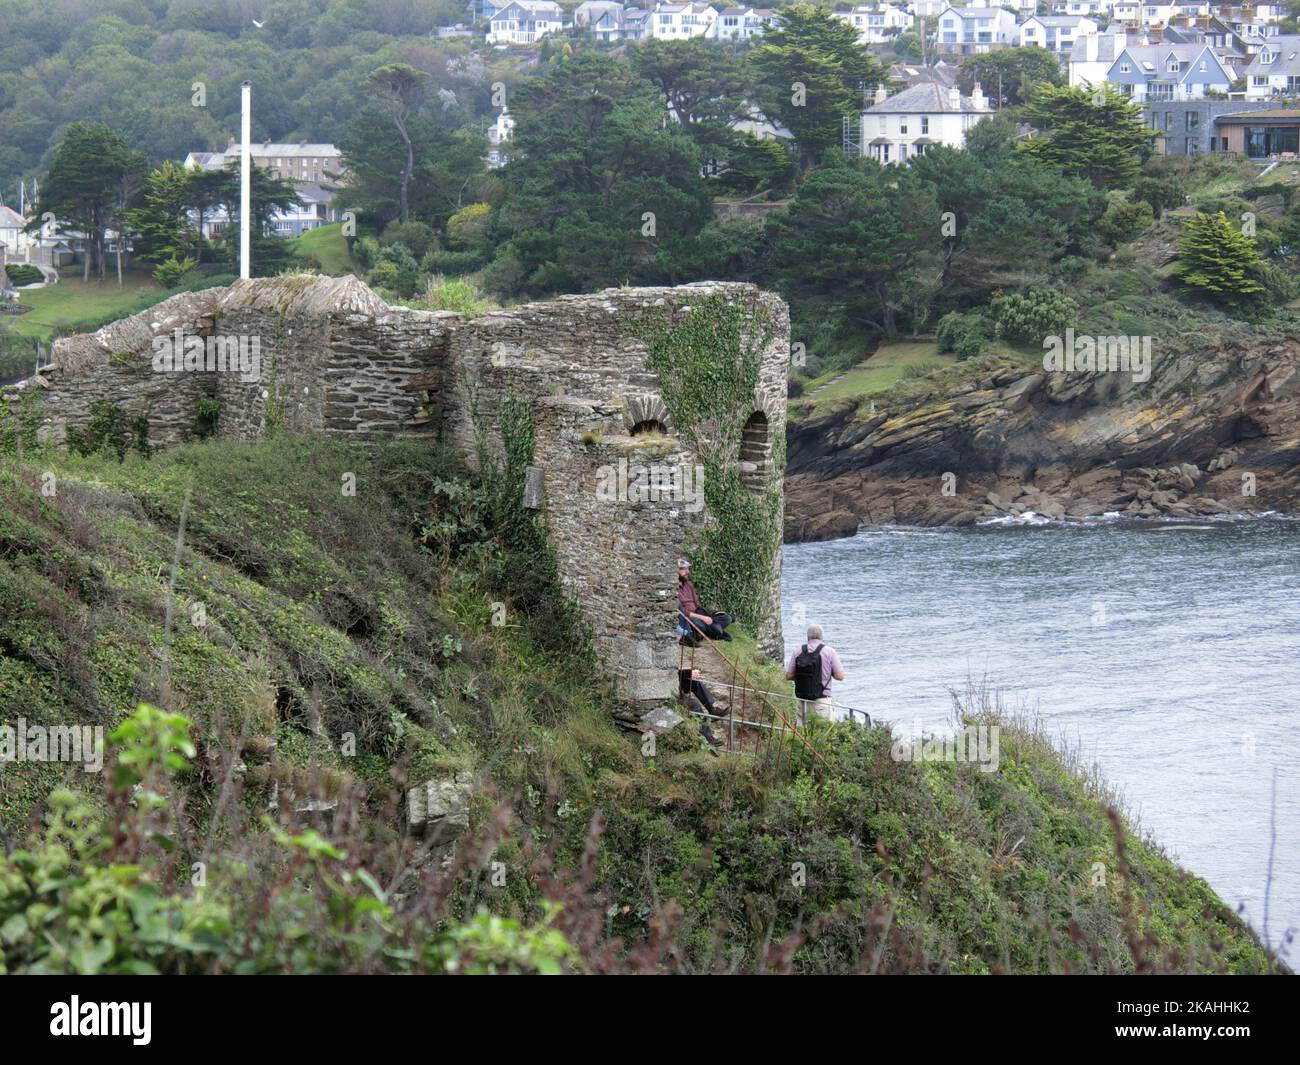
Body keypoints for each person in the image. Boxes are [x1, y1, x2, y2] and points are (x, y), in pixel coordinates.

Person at [785, 624, 845, 724]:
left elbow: (789, 676)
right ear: (822, 636)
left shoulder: (798, 651)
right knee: (822, 731)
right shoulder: (829, 651)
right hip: (821, 701)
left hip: (801, 700)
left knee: (801, 731)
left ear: (807, 636)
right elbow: (840, 676)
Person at [676, 558, 733, 642]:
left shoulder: (689, 584)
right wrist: (703, 618)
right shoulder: (673, 589)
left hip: (698, 611)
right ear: (676, 571)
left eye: (687, 569)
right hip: (688, 617)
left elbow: (697, 604)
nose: (687, 572)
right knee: (699, 624)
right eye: (683, 569)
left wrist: (709, 614)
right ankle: (718, 633)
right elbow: (682, 611)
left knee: (727, 618)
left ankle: (711, 631)